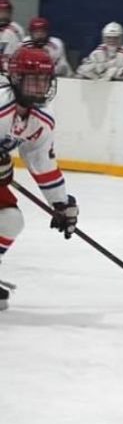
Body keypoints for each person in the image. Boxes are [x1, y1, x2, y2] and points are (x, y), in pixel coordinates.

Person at [0, 46, 80, 311]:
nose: (39, 87)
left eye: (44, 81)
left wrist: (60, 204)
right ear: (16, 78)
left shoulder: (40, 120)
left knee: (10, 220)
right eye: (33, 80)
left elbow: (42, 163)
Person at [0, 0, 26, 65]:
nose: (4, 15)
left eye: (6, 12)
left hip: (11, 69)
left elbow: (22, 51)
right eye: (1, 12)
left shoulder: (18, 29)